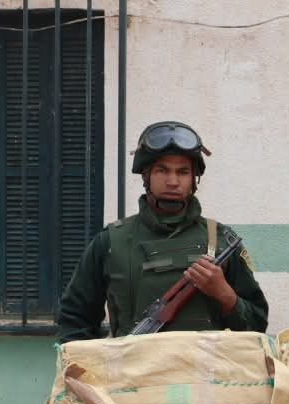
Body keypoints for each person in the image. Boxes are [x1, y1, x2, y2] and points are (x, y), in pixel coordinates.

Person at [56, 120, 268, 341]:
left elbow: (257, 325)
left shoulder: (221, 240)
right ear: (146, 176)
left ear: (193, 179)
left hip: (206, 364)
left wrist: (225, 294)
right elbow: (74, 322)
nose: (173, 181)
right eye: (162, 170)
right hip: (132, 363)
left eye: (183, 172)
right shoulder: (110, 242)